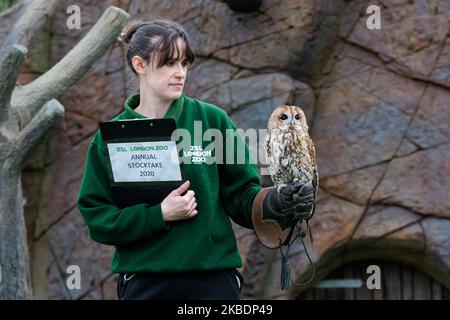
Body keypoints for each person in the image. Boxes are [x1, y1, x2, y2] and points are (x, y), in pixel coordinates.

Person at [77, 19, 315, 300]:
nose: (179, 73)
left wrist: (277, 201)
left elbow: (241, 196)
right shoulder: (113, 137)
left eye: (184, 64)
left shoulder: (212, 120)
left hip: (213, 281)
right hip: (146, 282)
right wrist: (158, 215)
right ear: (139, 65)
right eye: (169, 63)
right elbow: (98, 218)